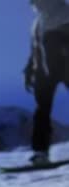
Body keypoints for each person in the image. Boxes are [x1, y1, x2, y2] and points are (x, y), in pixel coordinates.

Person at [24, 0, 69, 164]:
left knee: (42, 110)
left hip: (64, 64)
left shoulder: (62, 10)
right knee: (42, 110)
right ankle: (41, 152)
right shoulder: (36, 22)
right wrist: (29, 71)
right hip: (43, 71)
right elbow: (35, 48)